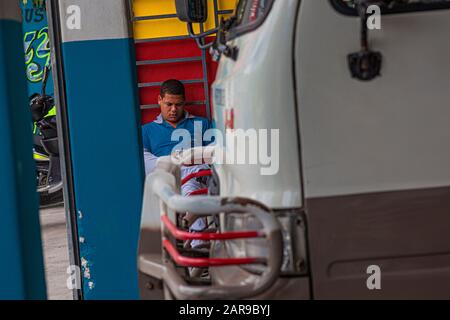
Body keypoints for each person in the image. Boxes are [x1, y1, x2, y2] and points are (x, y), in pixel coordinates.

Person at [142, 79, 212, 248]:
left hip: (198, 176)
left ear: (184, 102)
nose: (174, 109)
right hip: (167, 179)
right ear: (159, 100)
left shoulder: (201, 124)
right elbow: (144, 160)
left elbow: (215, 152)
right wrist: (176, 161)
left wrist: (192, 160)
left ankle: (195, 239)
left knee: (196, 173)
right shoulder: (147, 130)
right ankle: (196, 241)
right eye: (169, 104)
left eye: (179, 104)